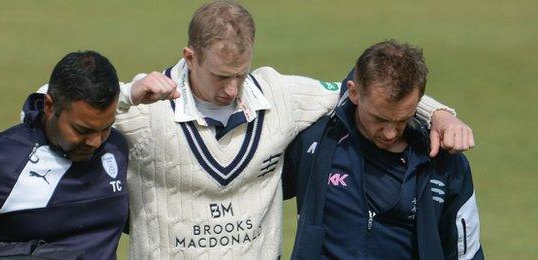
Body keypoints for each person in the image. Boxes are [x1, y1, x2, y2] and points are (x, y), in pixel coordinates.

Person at [35, 2, 473, 258]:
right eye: (220, 75)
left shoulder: (280, 95)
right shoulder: (144, 107)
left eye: (240, 75)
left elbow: (363, 93)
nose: (231, 89)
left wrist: (436, 114)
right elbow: (43, 107)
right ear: (189, 57)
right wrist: (127, 93)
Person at [282, 40, 483, 259]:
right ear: (354, 93)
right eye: (379, 119)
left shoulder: (444, 162)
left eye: (402, 120)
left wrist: (439, 112)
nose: (390, 133)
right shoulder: (317, 140)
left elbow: (466, 252)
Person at [0, 51, 129, 259]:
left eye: (106, 128)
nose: (95, 142)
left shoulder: (117, 149)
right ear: (49, 106)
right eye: (81, 130)